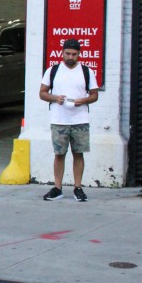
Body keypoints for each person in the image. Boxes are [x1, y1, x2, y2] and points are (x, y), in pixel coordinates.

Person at [39, 38, 99, 202]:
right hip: (59, 120)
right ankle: (57, 188)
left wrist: (84, 100)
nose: (70, 57)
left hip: (80, 119)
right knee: (59, 154)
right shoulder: (53, 70)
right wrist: (55, 98)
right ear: (62, 52)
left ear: (79, 54)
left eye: (74, 54)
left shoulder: (86, 71)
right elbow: (42, 93)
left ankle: (78, 187)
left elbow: (94, 95)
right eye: (67, 53)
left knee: (78, 153)